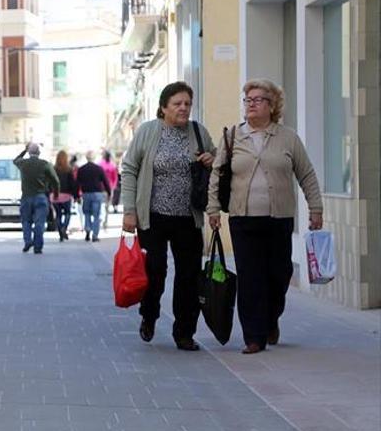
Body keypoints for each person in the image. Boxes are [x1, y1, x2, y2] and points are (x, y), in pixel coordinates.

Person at [208, 79, 323, 355]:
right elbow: (217, 173)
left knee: (279, 274)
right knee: (250, 277)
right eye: (247, 100)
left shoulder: (288, 138)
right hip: (242, 217)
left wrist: (315, 208)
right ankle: (254, 337)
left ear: (273, 106)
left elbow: (306, 174)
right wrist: (213, 208)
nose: (251, 104)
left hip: (279, 217)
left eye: (258, 99)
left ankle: (271, 319)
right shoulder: (233, 136)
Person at [120, 81, 215, 351]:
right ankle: (149, 315)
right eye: (177, 104)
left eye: (187, 103)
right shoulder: (148, 131)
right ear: (164, 108)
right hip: (153, 216)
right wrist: (129, 211)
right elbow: (129, 170)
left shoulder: (198, 132)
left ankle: (184, 332)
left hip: (188, 217)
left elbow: (217, 165)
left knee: (188, 276)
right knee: (155, 270)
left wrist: (211, 159)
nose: (183, 108)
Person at [13, 142, 59, 254]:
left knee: (26, 221)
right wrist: (56, 193)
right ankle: (38, 247)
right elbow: (55, 180)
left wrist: (25, 150)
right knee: (39, 222)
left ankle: (28, 241)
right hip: (41, 197)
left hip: (26, 197)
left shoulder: (23, 163)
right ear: (39, 152)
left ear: (29, 153)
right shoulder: (45, 164)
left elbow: (15, 160)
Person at [76, 150, 111, 242]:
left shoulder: (81, 169)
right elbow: (105, 181)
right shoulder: (98, 168)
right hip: (97, 194)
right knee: (96, 215)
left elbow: (77, 183)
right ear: (94, 158)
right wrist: (109, 192)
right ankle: (95, 235)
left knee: (86, 213)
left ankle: (87, 229)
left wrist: (77, 196)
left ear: (86, 158)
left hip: (86, 194)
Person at [51, 150, 77, 242]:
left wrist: (50, 192)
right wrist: (75, 195)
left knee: (58, 214)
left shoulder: (53, 169)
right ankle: (64, 228)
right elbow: (73, 183)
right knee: (67, 213)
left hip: (55, 195)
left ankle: (60, 232)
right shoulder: (69, 170)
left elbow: (50, 182)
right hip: (66, 195)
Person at [99, 150, 119, 224]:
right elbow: (115, 178)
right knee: (107, 205)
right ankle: (105, 220)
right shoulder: (112, 165)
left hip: (101, 188)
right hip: (109, 188)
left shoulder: (100, 164)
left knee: (101, 204)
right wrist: (113, 186)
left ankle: (102, 218)